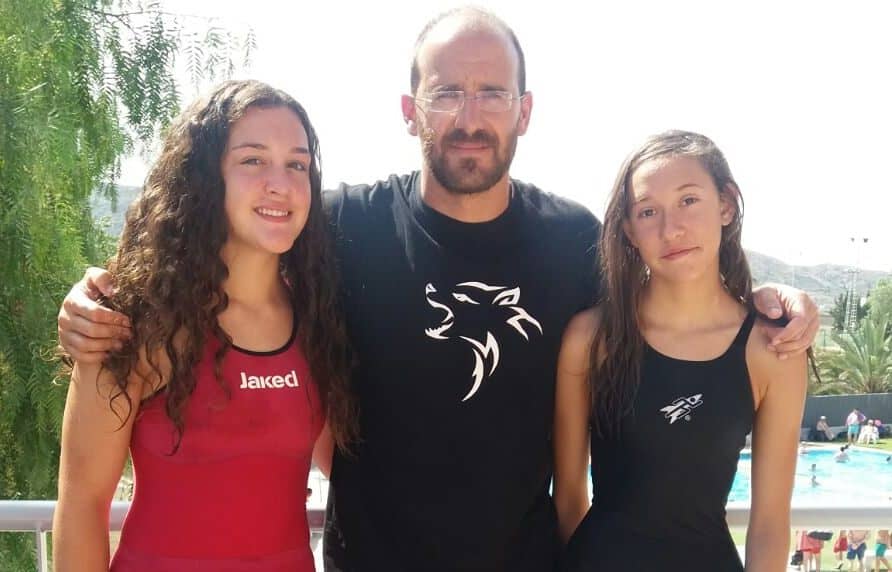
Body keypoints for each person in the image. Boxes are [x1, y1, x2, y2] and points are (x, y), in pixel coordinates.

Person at [55, 9, 821, 572]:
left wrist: (775, 300)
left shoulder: (577, 241)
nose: (469, 116)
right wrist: (96, 296)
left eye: (492, 93)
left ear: (525, 110)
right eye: (447, 91)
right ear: (409, 110)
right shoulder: (339, 227)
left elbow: (675, 292)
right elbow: (223, 256)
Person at [52, 81, 357, 571]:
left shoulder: (319, 320)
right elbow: (83, 505)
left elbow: (353, 469)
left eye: (297, 164)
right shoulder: (134, 321)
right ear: (204, 177)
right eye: (253, 160)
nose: (280, 183)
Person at [552, 131, 807, 571]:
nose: (671, 229)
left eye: (689, 200)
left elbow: (769, 524)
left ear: (726, 205)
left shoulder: (771, 349)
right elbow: (569, 497)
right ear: (629, 231)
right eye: (648, 212)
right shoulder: (592, 339)